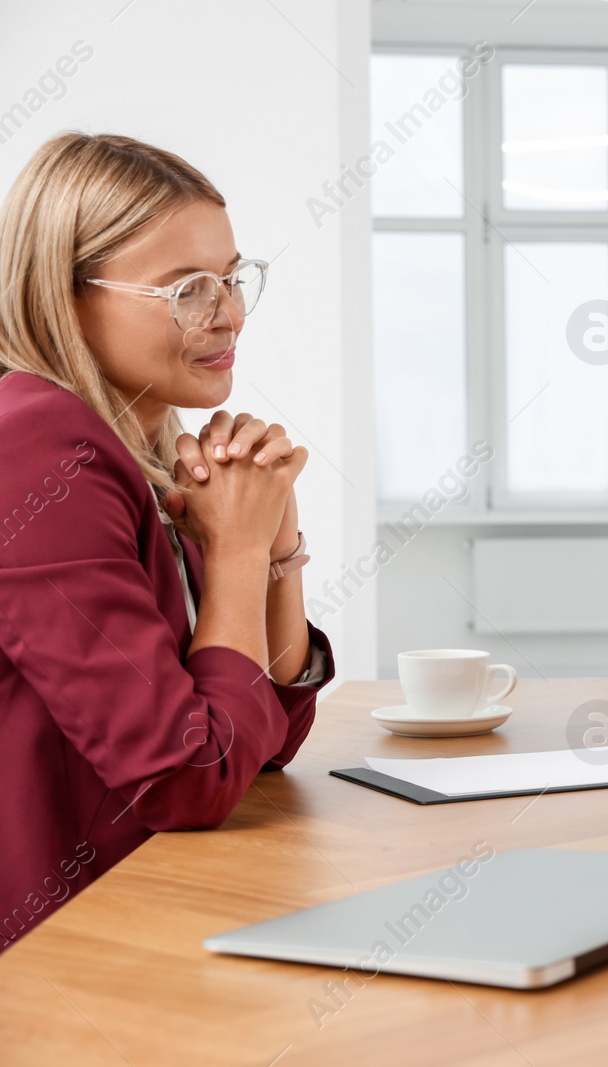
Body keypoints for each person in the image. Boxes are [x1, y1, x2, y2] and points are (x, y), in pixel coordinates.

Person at [0, 133, 334, 952]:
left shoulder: (137, 444)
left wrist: (273, 541)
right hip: (65, 953)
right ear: (65, 297)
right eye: (186, 288)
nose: (227, 314)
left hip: (147, 911)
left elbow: (265, 737)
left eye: (230, 277)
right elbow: (192, 774)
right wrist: (239, 553)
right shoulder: (39, 448)